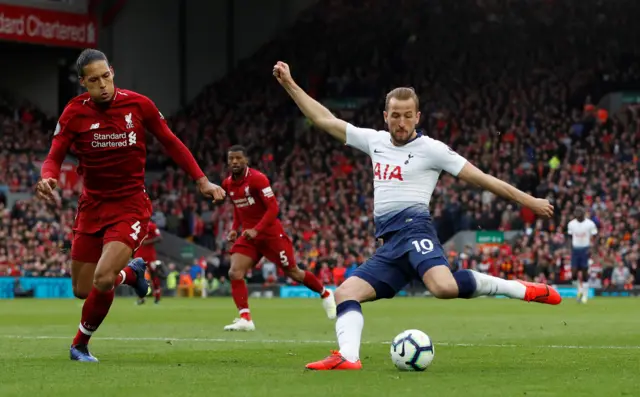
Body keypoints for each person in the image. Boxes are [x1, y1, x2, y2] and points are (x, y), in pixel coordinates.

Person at [272, 61, 561, 371]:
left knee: (444, 288)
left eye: (408, 116)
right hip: (389, 244)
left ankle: (520, 289)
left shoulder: (432, 149)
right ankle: (349, 357)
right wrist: (289, 83)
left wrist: (528, 200)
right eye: (395, 115)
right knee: (345, 293)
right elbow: (322, 119)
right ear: (385, 116)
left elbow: (483, 179)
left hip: (415, 231)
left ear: (417, 117)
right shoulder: (374, 141)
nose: (401, 122)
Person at [35, 49, 225, 362]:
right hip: (91, 206)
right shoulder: (73, 113)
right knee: (83, 289)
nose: (102, 85)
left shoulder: (139, 104)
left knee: (103, 276)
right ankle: (133, 275)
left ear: (112, 72)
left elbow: (171, 142)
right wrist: (48, 178)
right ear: (83, 83)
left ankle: (80, 344)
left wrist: (202, 180)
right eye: (93, 80)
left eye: (106, 76)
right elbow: (54, 155)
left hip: (130, 205)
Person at [221, 145, 336, 331]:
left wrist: (257, 230)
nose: (234, 162)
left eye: (238, 158)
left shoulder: (258, 179)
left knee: (293, 272)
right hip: (250, 237)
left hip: (270, 235)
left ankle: (325, 293)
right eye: (231, 158)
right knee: (235, 272)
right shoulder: (228, 184)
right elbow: (237, 207)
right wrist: (235, 228)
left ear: (246, 160)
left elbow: (273, 208)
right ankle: (246, 319)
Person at [567, 207, 598, 303]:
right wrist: (570, 249)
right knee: (574, 273)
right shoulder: (571, 224)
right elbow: (569, 237)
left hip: (585, 249)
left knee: (584, 272)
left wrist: (592, 249)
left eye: (580, 214)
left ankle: (585, 295)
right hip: (575, 250)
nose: (578, 216)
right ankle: (579, 291)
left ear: (584, 214)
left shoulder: (590, 224)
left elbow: (595, 236)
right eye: (576, 214)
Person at [134, 221, 163, 305]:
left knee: (154, 275)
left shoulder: (151, 225)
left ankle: (157, 297)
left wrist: (148, 242)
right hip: (138, 255)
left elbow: (160, 238)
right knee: (137, 277)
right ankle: (141, 298)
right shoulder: (136, 224)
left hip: (150, 256)